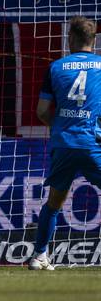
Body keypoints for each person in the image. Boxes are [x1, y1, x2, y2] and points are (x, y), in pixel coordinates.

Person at [29, 16, 101, 271]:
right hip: (94, 143)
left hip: (64, 143)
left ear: (70, 37)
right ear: (93, 39)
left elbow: (41, 111)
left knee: (54, 202)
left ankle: (39, 255)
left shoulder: (56, 67)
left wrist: (59, 126)